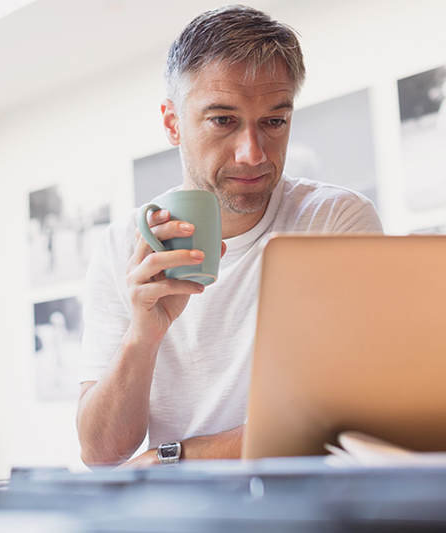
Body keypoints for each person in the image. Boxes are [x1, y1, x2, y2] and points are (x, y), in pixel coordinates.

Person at [75, 5, 383, 468]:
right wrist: (143, 337)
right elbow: (102, 453)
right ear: (172, 122)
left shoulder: (335, 219)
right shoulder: (122, 246)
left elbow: (352, 412)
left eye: (274, 121)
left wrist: (178, 458)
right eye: (223, 120)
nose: (253, 153)